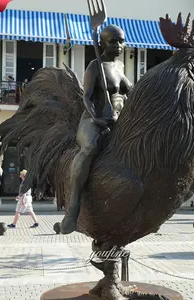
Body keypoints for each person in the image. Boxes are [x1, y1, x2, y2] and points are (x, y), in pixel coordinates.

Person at [60, 25, 133, 234]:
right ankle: (72, 210)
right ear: (102, 42)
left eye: (121, 41)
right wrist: (97, 118)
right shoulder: (94, 66)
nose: (118, 45)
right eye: (113, 41)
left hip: (114, 120)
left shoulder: (119, 67)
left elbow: (131, 91)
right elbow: (87, 97)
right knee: (90, 148)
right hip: (92, 121)